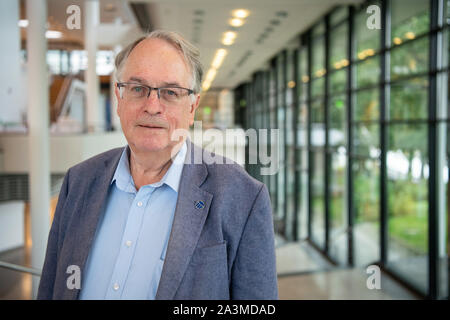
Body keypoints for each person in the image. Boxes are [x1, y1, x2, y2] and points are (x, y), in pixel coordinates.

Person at [37, 30, 278, 300]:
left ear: (192, 106)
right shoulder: (78, 182)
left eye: (170, 92)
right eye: (138, 88)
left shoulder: (242, 197)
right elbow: (49, 289)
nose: (152, 106)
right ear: (119, 98)